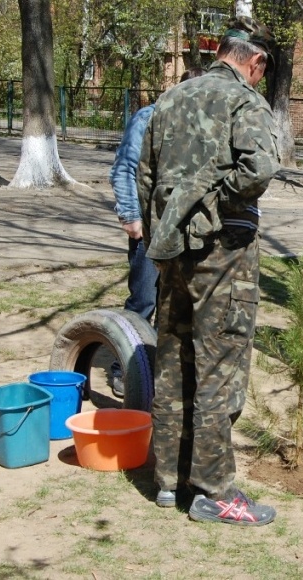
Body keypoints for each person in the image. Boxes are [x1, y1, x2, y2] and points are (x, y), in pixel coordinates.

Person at [136, 17, 280, 525]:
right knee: (219, 366)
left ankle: (169, 481)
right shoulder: (245, 101)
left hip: (173, 251)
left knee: (174, 360)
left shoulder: (170, 99)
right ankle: (213, 491)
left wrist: (168, 228)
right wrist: (212, 204)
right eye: (263, 69)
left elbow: (145, 174)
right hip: (226, 253)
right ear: (254, 61)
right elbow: (260, 168)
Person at [108, 67, 205, 398]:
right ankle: (125, 368)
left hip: (185, 231)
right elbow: (124, 169)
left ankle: (163, 371)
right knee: (145, 299)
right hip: (149, 229)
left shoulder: (204, 123)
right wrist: (132, 217)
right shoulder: (148, 117)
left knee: (178, 303)